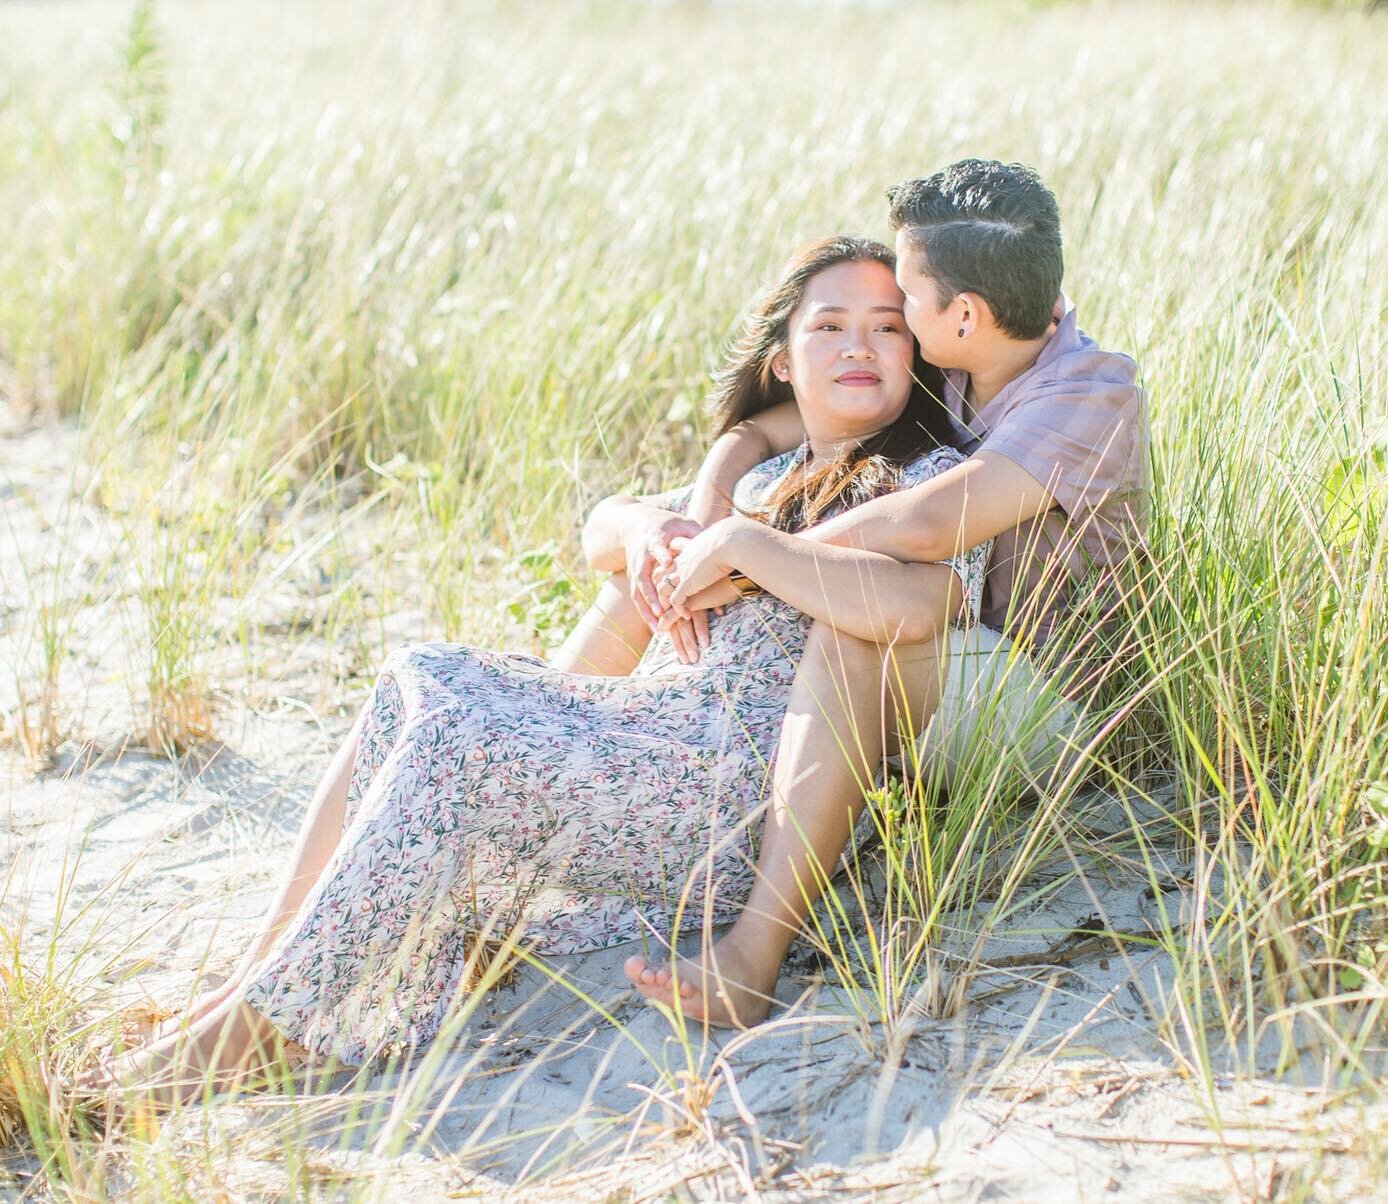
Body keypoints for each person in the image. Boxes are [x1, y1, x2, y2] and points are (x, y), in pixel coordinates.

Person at [75, 235, 991, 1107]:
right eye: (828, 325)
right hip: (659, 748)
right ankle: (269, 970)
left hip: (741, 791)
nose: (858, 345)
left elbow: (921, 605)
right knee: (418, 675)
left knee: (462, 741)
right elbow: (603, 531)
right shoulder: (765, 471)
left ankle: (274, 1025)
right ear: (785, 361)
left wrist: (753, 549)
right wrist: (649, 529)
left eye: (885, 326)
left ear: (916, 354)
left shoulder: (929, 473)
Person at [618, 159, 1148, 1022]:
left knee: (856, 632)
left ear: (963, 315)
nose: (890, 314)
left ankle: (754, 955)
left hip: (1049, 698)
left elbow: (925, 528)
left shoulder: (1094, 394)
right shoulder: (966, 359)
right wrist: (717, 497)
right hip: (953, 659)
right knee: (776, 590)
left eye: (904, 298)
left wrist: (748, 563)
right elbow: (776, 421)